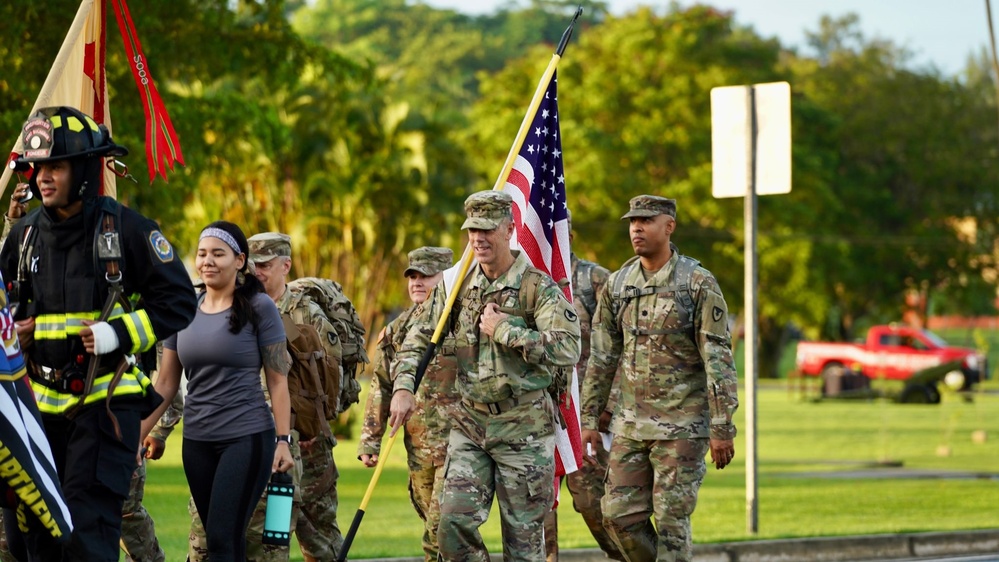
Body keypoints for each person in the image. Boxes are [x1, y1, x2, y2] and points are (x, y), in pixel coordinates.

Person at [0, 106, 197, 561]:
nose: (43, 177)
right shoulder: (23, 235)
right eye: (37, 168)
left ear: (85, 169)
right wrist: (14, 334)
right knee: (40, 536)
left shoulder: (128, 230)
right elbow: (5, 306)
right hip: (40, 410)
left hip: (105, 404)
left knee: (86, 531)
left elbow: (179, 302)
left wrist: (118, 334)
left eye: (56, 165)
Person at [389, 190, 580, 561]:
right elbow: (416, 338)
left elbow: (567, 348)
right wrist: (403, 387)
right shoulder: (455, 285)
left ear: (509, 229)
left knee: (523, 546)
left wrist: (507, 331)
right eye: (472, 229)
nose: (478, 238)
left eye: (487, 229)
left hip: (523, 426)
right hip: (470, 423)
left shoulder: (537, 287)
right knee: (451, 527)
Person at [580, 195, 740, 562]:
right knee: (617, 517)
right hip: (630, 426)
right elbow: (602, 357)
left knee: (671, 520)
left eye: (646, 220)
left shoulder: (697, 283)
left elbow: (718, 359)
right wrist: (589, 420)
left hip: (683, 425)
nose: (636, 227)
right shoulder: (618, 285)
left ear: (669, 226)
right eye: (632, 221)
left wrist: (721, 426)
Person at [141, 220, 294, 562]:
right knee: (221, 540)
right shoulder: (184, 310)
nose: (207, 261)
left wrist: (282, 441)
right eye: (202, 254)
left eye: (218, 254)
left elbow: (278, 380)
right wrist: (137, 434)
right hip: (197, 442)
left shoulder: (260, 307)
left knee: (223, 538)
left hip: (246, 437)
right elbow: (165, 383)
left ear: (239, 261)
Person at [243, 231, 344, 562]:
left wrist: (313, 426)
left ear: (285, 265)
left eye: (265, 265)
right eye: (253, 265)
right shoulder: (241, 308)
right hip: (258, 439)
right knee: (270, 535)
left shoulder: (308, 314)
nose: (257, 272)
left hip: (307, 446)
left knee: (319, 539)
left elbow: (332, 376)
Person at [358, 246, 459, 562]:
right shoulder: (397, 329)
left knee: (442, 530)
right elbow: (381, 386)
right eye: (412, 276)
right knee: (436, 523)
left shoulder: (462, 319)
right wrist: (370, 441)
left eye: (425, 275)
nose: (416, 282)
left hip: (460, 443)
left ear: (444, 277)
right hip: (419, 446)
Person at [543, 212, 623, 562]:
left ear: (568, 237)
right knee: (537, 511)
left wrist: (608, 404)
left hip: (585, 415)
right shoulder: (523, 280)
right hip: (538, 413)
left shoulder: (594, 280)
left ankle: (624, 557)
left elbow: (622, 346)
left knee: (593, 502)